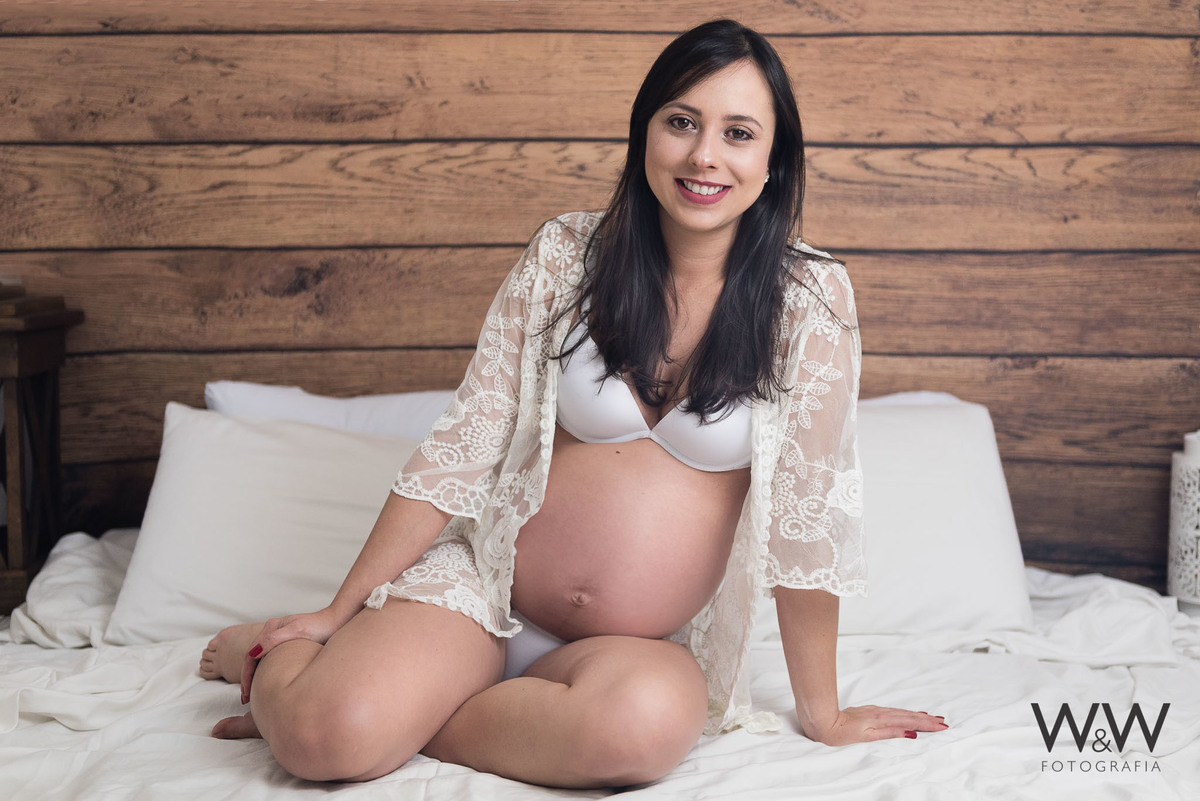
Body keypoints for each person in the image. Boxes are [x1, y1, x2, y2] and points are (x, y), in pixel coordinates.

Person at [198, 18, 947, 789]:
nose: (704, 155)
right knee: (329, 739)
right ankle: (279, 653)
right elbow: (464, 447)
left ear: (774, 162)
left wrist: (820, 712)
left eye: (739, 132)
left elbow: (805, 523)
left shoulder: (810, 301)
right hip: (485, 597)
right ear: (645, 132)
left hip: (630, 647)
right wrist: (334, 612)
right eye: (681, 122)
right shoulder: (565, 257)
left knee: (640, 732)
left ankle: (407, 707)